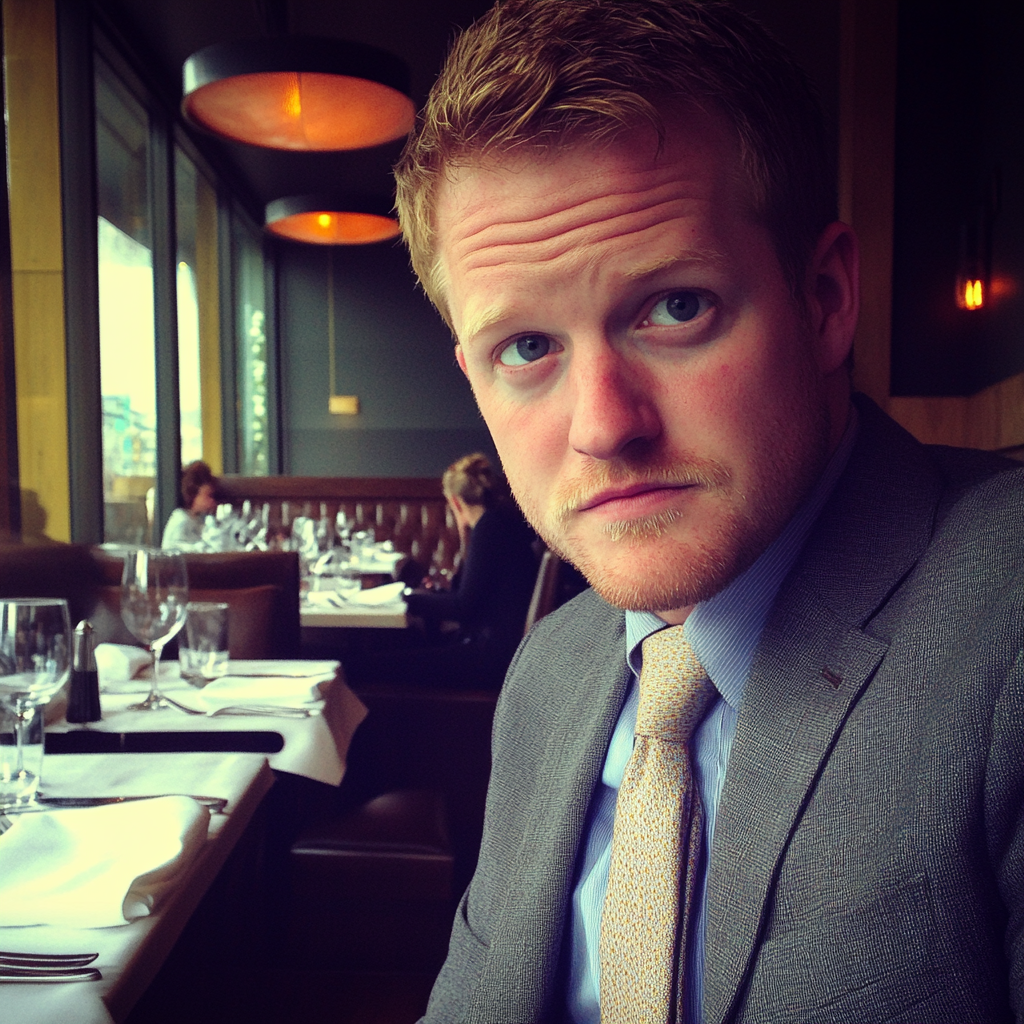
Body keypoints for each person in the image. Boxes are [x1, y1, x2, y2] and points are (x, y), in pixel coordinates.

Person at [392, 1, 1024, 1022]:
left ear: (822, 298)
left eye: (674, 306)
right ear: (473, 378)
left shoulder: (1005, 628)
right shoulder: (545, 675)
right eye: (526, 349)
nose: (602, 425)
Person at [349, 453, 538, 690]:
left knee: (362, 666)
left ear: (456, 502)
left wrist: (405, 600)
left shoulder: (489, 528)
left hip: (490, 658)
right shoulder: (500, 523)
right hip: (499, 651)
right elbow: (475, 597)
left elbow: (465, 606)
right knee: (384, 648)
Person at [161, 460, 218, 550]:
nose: (212, 501)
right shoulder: (181, 521)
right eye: (208, 496)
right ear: (193, 495)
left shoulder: (197, 519)